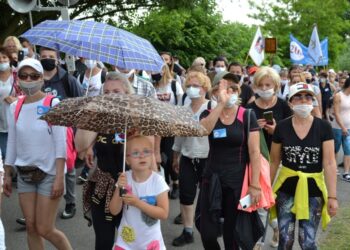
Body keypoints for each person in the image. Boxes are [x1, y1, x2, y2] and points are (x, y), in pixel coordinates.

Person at [3, 58, 72, 250]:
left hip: (50, 174)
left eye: (33, 76)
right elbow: (13, 142)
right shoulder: (14, 107)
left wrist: (60, 177)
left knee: (45, 228)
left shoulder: (53, 102)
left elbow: (60, 143)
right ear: (18, 78)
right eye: (24, 75)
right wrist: (7, 174)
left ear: (42, 78)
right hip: (24, 173)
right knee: (31, 228)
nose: (28, 79)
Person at [270, 83, 338, 250]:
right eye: (298, 97)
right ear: (291, 102)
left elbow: (329, 163)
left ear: (313, 101)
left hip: (313, 191)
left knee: (307, 242)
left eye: (308, 97)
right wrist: (266, 191)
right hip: (286, 191)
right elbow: (274, 161)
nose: (304, 100)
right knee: (285, 240)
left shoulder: (323, 127)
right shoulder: (282, 127)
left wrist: (332, 197)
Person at [198, 78, 262, 249]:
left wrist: (254, 185)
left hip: (237, 181)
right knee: (207, 232)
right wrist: (220, 105)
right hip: (211, 178)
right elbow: (204, 130)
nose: (229, 93)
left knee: (232, 233)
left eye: (233, 89)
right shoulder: (208, 112)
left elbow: (255, 152)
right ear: (215, 93)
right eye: (224, 89)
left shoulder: (247, 115)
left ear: (238, 92)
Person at [76, 72, 134, 249]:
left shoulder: (136, 118)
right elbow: (80, 147)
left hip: (130, 188)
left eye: (116, 91)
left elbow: (145, 157)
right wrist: (91, 116)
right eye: (106, 92)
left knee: (130, 242)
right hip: (102, 185)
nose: (111, 96)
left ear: (126, 93)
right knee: (103, 242)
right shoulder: (99, 118)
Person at [246, 66, 292, 248]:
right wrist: (253, 128)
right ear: (255, 86)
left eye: (268, 85)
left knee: (273, 199)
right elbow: (241, 135)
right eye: (261, 85)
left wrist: (277, 130)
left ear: (276, 86)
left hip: (278, 160)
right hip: (256, 161)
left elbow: (292, 133)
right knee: (259, 201)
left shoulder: (283, 106)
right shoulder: (248, 108)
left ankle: (275, 228)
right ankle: (258, 239)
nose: (265, 89)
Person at [40, 47, 83, 220]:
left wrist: (78, 134)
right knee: (43, 168)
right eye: (43, 57)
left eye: (51, 57)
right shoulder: (35, 79)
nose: (47, 59)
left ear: (58, 59)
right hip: (42, 132)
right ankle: (42, 205)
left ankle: (70, 202)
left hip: (65, 132)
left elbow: (80, 105)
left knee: (69, 169)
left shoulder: (68, 80)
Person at [171, 71, 211, 247]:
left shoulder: (213, 106)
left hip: (208, 159)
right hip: (187, 157)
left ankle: (209, 228)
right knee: (186, 196)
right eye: (189, 85)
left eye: (196, 85)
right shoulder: (184, 109)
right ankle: (188, 231)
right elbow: (179, 136)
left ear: (204, 88)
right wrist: (176, 156)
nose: (192, 89)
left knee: (208, 197)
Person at [110, 135, 169, 250]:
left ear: (152, 156)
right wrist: (118, 188)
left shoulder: (158, 181)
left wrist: (137, 203)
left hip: (151, 243)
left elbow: (163, 213)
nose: (142, 156)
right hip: (126, 242)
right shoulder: (125, 178)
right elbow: (114, 210)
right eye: (136, 153)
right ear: (127, 160)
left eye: (146, 151)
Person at [153, 64, 183, 199]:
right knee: (159, 156)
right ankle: (164, 184)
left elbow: (181, 105)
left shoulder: (174, 85)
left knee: (170, 157)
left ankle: (176, 183)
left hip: (171, 125)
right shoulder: (152, 86)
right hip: (156, 126)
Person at [333, 77, 350, 181]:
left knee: (348, 149)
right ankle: (334, 168)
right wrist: (342, 127)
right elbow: (337, 113)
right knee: (336, 148)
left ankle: (347, 172)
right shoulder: (338, 96)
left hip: (349, 128)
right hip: (337, 127)